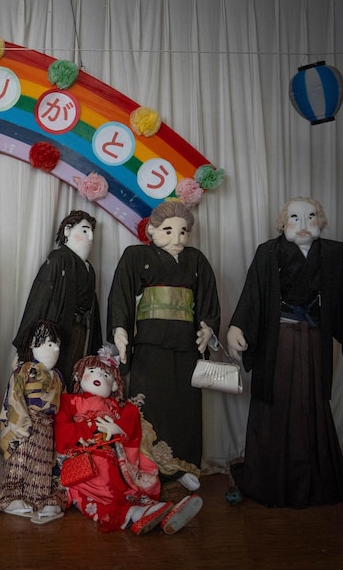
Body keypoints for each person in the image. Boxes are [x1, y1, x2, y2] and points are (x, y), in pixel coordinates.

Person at [226, 196, 343, 508]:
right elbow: (252, 295)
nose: (303, 225)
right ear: (282, 222)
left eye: (310, 217)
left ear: (321, 221)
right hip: (277, 341)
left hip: (314, 340)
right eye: (295, 217)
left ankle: (315, 478)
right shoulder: (268, 252)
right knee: (275, 402)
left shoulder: (336, 254)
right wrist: (237, 327)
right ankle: (270, 478)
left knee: (311, 402)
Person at [107, 199, 220, 481]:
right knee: (150, 405)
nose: (177, 237)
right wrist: (120, 329)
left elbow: (208, 298)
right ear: (152, 232)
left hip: (185, 345)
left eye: (183, 231)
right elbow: (120, 294)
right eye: (168, 230)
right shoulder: (135, 256)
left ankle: (186, 466)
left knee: (186, 406)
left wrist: (207, 328)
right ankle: (147, 467)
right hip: (149, 345)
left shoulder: (196, 260)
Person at [54, 353, 202, 534]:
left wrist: (116, 426)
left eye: (106, 375)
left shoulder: (120, 407)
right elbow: (62, 432)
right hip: (85, 460)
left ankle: (160, 513)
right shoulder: (69, 401)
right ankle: (135, 514)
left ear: (115, 385)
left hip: (115, 459)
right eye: (92, 371)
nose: (99, 376)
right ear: (79, 375)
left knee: (128, 487)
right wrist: (92, 427)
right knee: (104, 489)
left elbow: (131, 419)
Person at [13, 210, 102, 390]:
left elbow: (93, 305)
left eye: (92, 232)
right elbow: (39, 298)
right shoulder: (58, 259)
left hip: (81, 331)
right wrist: (23, 344)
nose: (90, 237)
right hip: (57, 330)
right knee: (47, 378)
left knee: (72, 377)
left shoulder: (89, 269)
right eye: (85, 230)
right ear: (67, 230)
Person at [0, 320, 65, 524]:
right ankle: (10, 497)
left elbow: (63, 404)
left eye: (57, 343)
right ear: (34, 343)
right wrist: (20, 424)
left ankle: (40, 499)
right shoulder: (24, 370)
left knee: (41, 469)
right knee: (19, 463)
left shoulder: (58, 377)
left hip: (48, 428)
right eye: (50, 344)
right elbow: (14, 397)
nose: (56, 348)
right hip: (27, 423)